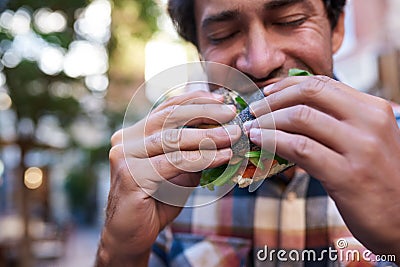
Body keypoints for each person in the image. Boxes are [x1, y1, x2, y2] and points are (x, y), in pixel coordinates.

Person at [95, 0, 400, 266]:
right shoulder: (167, 172)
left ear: (336, 29)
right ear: (202, 56)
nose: (260, 62)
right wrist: (118, 253)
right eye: (223, 35)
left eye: (290, 20)